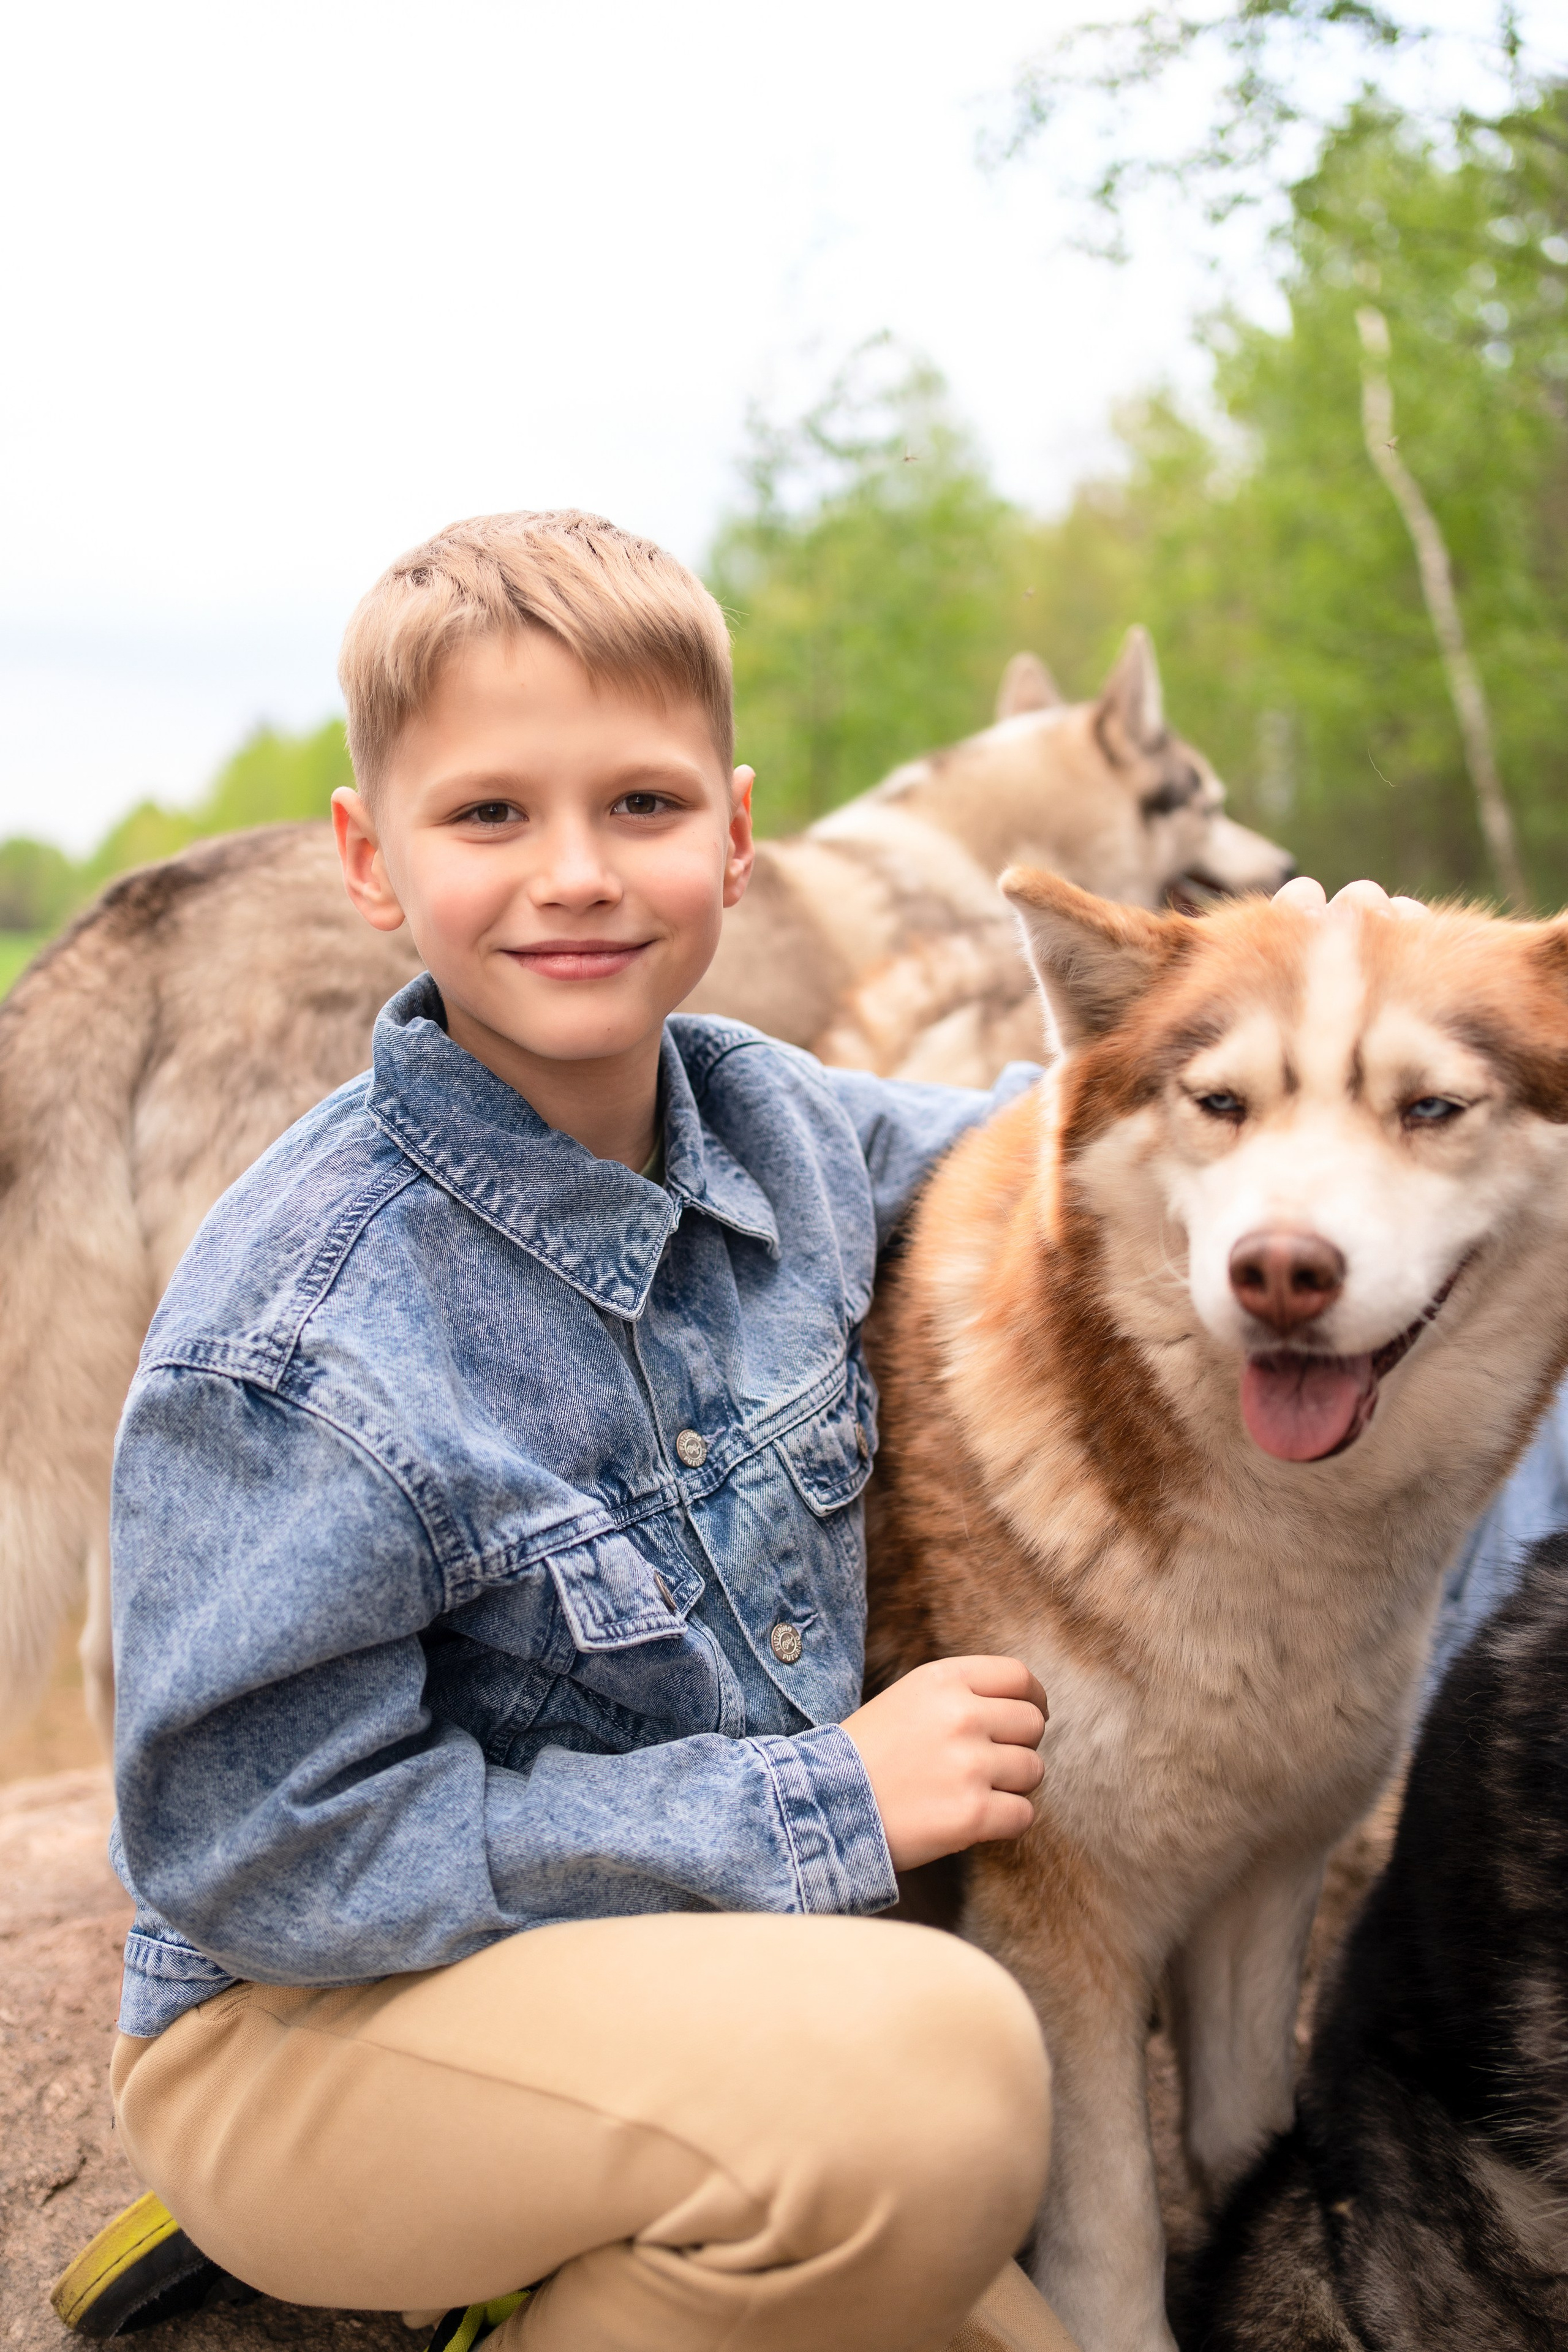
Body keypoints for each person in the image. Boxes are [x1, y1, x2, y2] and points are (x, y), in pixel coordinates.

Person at [105, 511, 1071, 2352]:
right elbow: (266, 1856)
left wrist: (1287, 1012)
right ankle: (442, 2257)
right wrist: (822, 1801)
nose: (577, 875)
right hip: (320, 2025)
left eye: (641, 805)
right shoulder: (303, 1336)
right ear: (366, 858)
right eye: (489, 817)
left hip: (659, 1988)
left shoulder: (772, 1125)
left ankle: (571, 2267)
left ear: (735, 825)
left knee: (976, 2245)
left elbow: (1046, 1154)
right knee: (945, 2084)